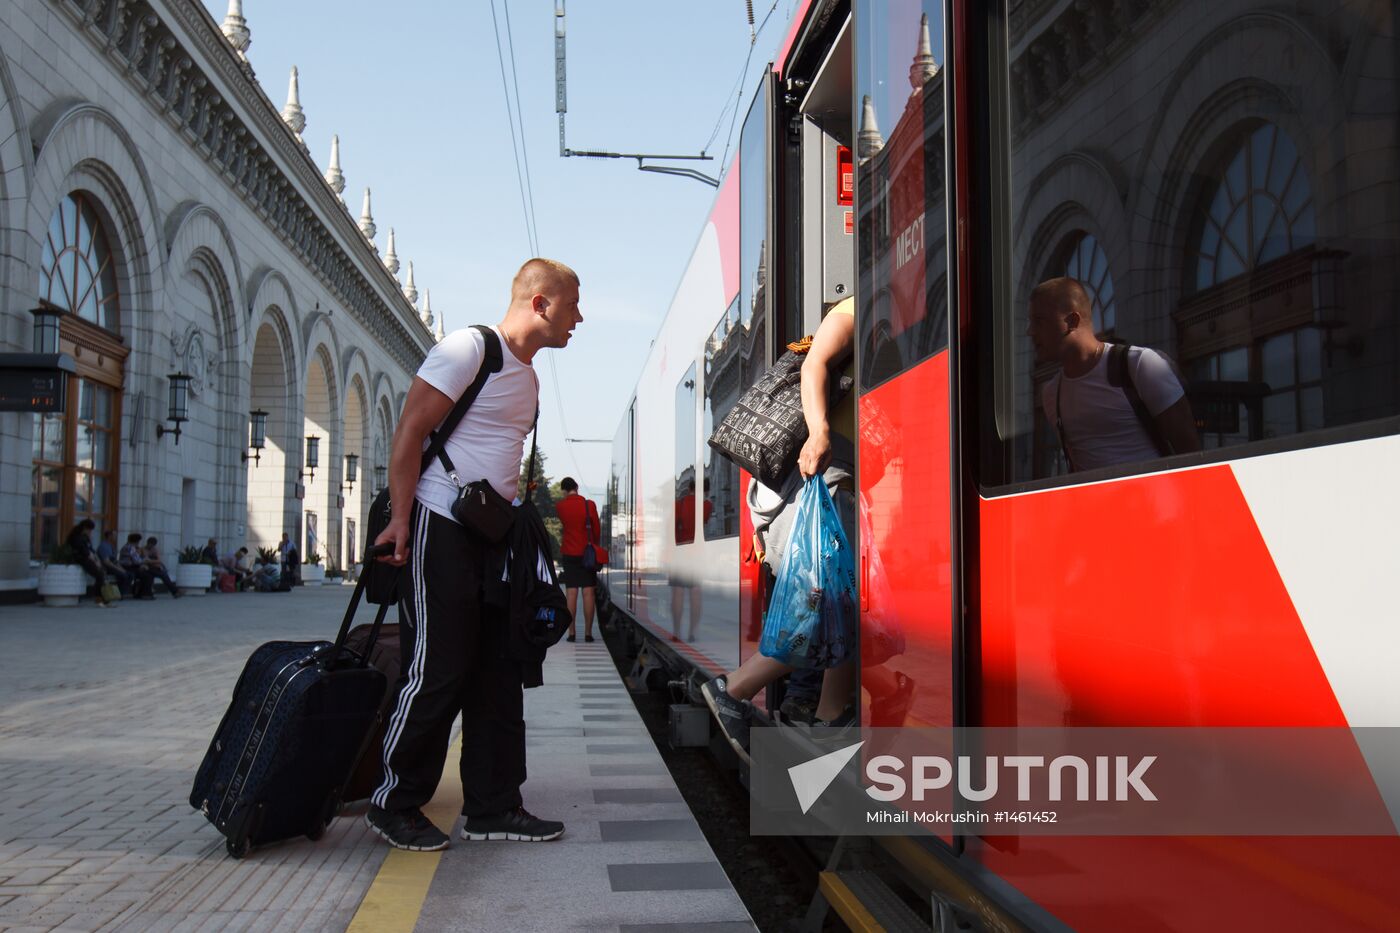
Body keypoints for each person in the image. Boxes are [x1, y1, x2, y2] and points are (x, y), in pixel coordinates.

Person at [368, 257, 582, 851]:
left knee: (497, 672)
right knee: (438, 668)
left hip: (495, 540)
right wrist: (402, 521)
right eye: (573, 304)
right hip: (439, 523)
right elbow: (411, 431)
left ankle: (493, 806)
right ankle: (395, 802)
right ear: (540, 303)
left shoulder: (530, 377)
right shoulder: (468, 349)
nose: (579, 317)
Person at [701, 298, 860, 756]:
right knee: (825, 602)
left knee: (840, 601)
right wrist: (820, 431)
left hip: (833, 477)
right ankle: (733, 689)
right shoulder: (852, 310)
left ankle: (828, 717)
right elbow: (814, 367)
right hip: (822, 476)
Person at [1028, 277, 1200, 472]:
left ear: (1072, 321)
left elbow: (1192, 456)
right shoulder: (1052, 394)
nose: (1030, 332)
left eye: (1039, 321)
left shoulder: (1140, 365)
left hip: (1154, 500)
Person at [554, 476, 600, 642]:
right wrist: (593, 546)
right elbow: (596, 530)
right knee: (588, 593)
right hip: (587, 554)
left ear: (564, 491)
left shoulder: (561, 506)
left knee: (571, 593)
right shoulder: (590, 505)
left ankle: (571, 633)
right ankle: (588, 633)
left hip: (569, 553)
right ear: (577, 487)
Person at [64, 520, 114, 607]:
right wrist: (96, 562)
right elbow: (85, 552)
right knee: (99, 575)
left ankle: (103, 598)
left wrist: (97, 560)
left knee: (101, 574)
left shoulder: (85, 537)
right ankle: (100, 599)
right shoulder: (77, 538)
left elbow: (92, 550)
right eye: (89, 530)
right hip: (81, 559)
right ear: (85, 528)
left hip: (88, 558)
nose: (90, 532)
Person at [96, 529, 132, 596]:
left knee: (129, 574)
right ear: (110, 536)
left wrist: (122, 569)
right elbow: (107, 562)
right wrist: (119, 569)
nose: (116, 537)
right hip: (107, 568)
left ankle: (123, 592)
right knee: (123, 575)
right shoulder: (103, 546)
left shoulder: (111, 546)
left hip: (113, 566)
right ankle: (120, 593)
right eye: (115, 535)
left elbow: (115, 561)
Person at [119, 533, 153, 598]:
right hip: (129, 567)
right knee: (148, 575)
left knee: (146, 572)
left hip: (128, 566)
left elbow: (136, 559)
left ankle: (142, 593)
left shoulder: (126, 546)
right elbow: (136, 560)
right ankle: (145, 594)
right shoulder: (130, 548)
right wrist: (145, 561)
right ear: (137, 541)